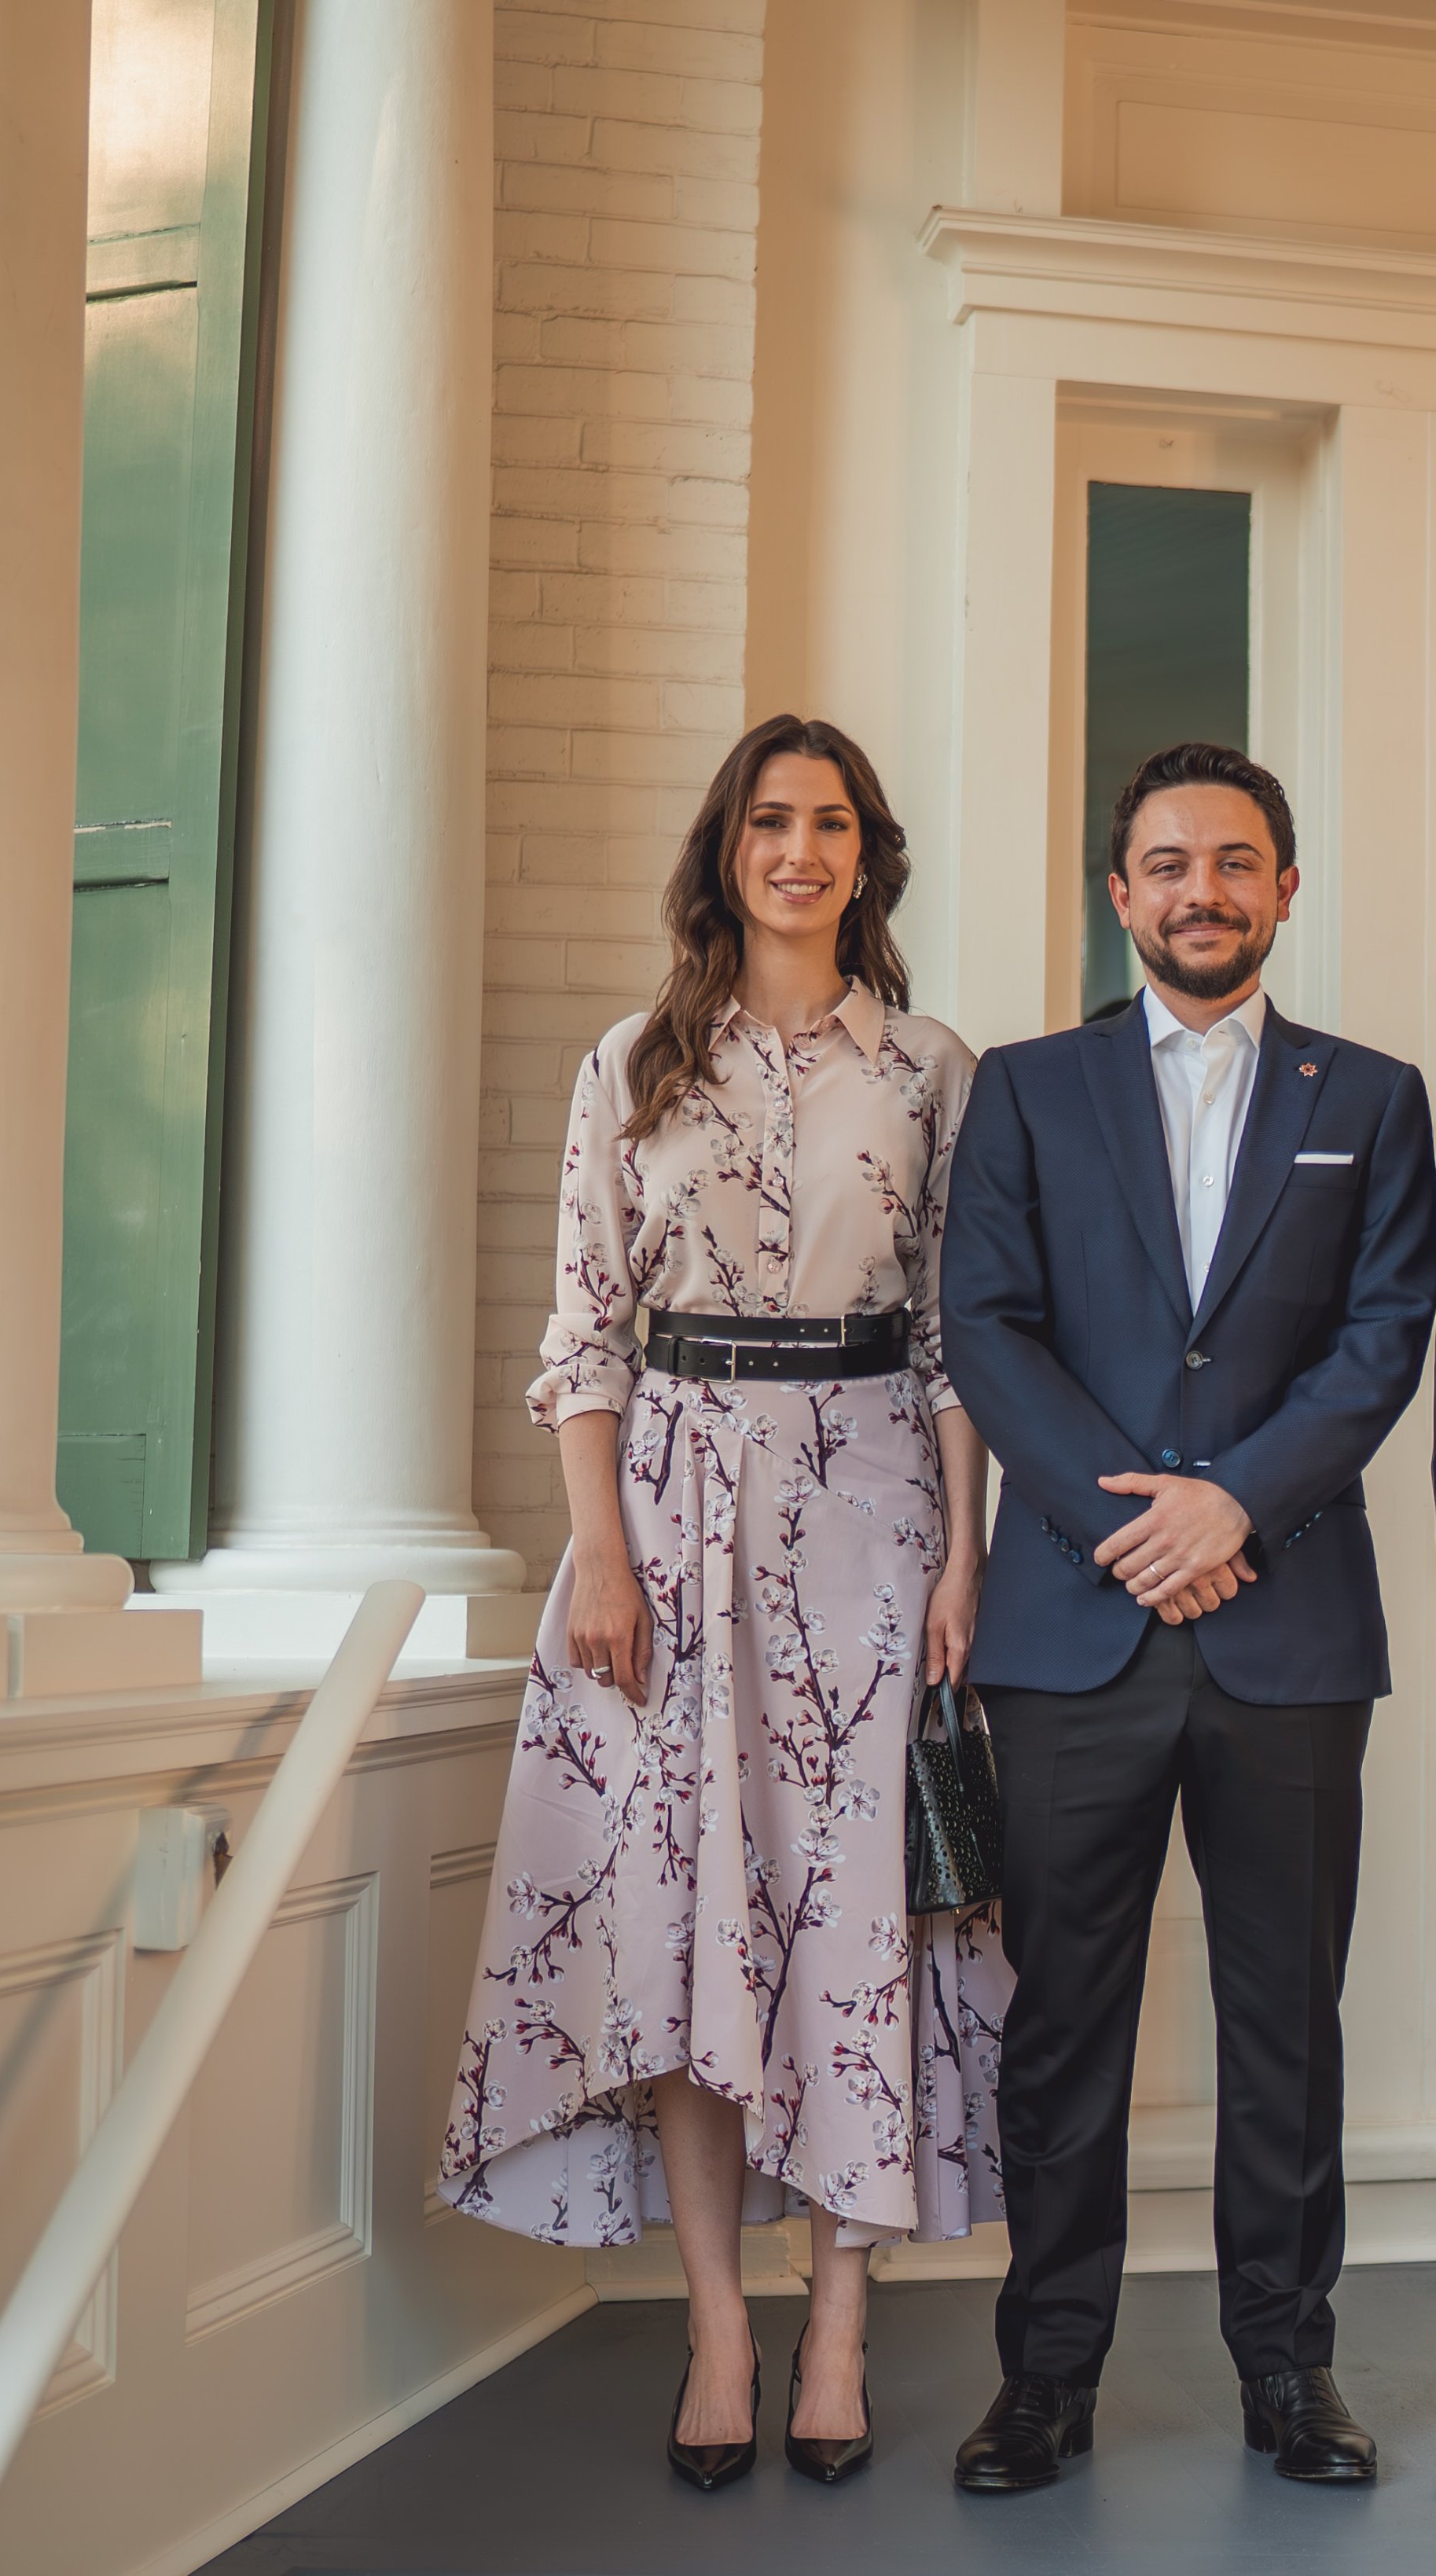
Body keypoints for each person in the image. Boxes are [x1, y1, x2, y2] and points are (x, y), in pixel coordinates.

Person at [441, 713, 1003, 2493]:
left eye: (830, 823)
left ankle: (835, 2323)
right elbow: (582, 1335)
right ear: (727, 848)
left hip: (872, 1519)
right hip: (668, 1523)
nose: (800, 850)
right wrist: (599, 1556)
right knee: (686, 1918)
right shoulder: (630, 1062)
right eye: (770, 820)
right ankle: (717, 2326)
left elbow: (954, 1337)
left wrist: (966, 1556)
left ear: (867, 857)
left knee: (854, 1925)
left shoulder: (933, 1068)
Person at [939, 741, 1436, 2493]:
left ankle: (1289, 2370)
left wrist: (1238, 1503)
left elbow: (1384, 1334)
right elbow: (988, 1326)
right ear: (1120, 892)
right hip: (1073, 1630)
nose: (1201, 891)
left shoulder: (1370, 1096)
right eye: (1168, 863)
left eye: (1235, 862)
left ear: (1284, 889)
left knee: (1285, 2021)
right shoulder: (1024, 1089)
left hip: (1286, 1626)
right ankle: (1046, 2376)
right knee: (1063, 2022)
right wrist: (1132, 1527)